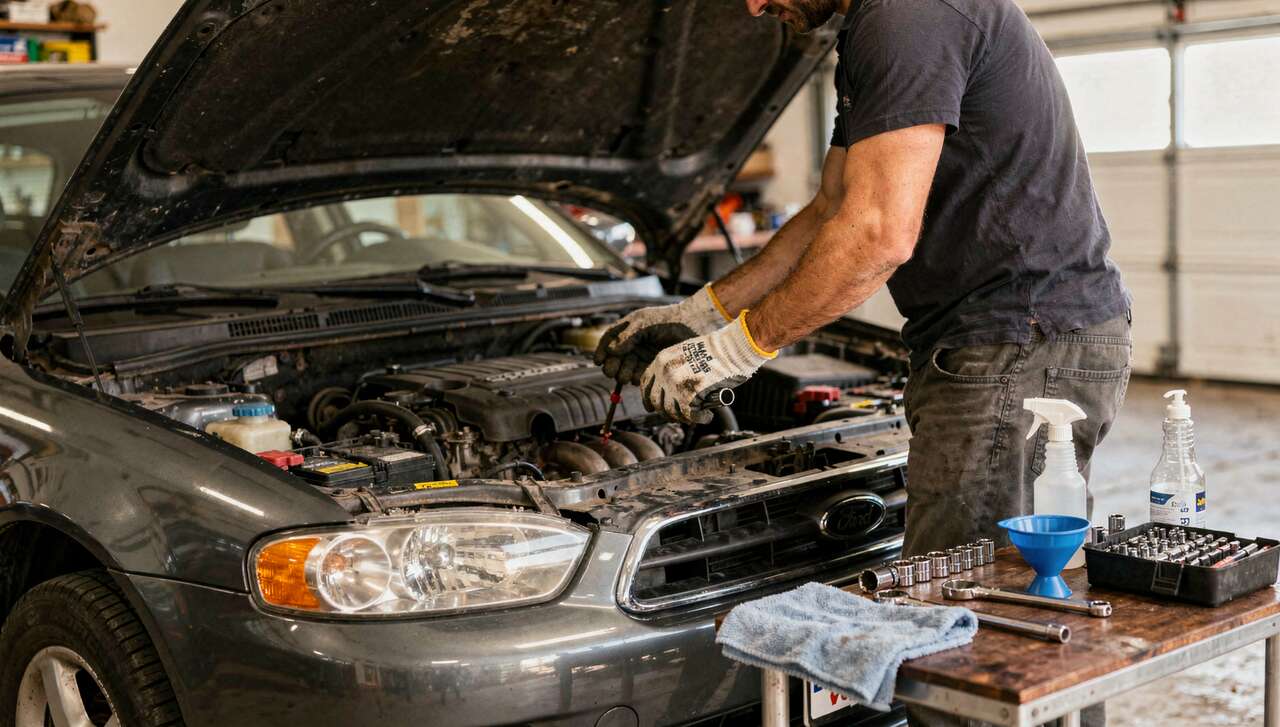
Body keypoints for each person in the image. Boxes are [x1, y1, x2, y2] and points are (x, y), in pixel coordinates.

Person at [595, 1, 1132, 724]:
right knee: (1024, 617)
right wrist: (703, 314)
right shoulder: (877, 29)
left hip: (1016, 348)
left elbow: (878, 233)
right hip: (1017, 340)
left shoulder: (905, 16)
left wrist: (742, 347)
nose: (754, 6)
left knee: (966, 650)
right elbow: (831, 210)